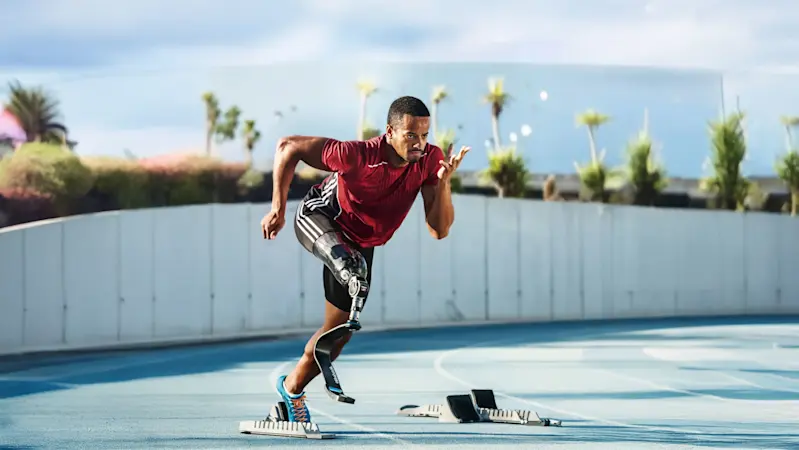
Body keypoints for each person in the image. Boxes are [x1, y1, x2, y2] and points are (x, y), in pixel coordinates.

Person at [260, 95, 469, 423]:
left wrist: (443, 185)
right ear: (390, 132)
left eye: (425, 136)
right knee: (348, 265)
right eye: (411, 135)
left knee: (338, 333)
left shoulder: (430, 161)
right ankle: (294, 391)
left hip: (361, 244)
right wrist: (277, 208)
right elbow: (289, 146)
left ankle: (292, 389)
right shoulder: (357, 154)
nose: (419, 144)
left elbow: (439, 230)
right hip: (321, 218)